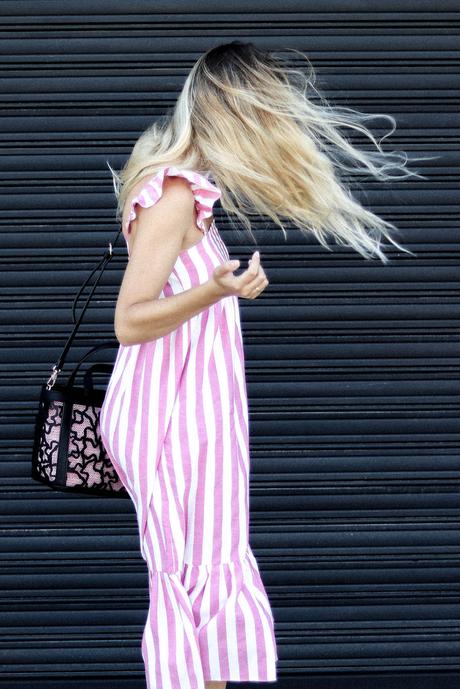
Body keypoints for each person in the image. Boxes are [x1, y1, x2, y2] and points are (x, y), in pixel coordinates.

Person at [99, 40, 428, 689]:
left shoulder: (190, 193)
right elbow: (129, 319)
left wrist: (218, 288)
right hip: (173, 427)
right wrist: (215, 289)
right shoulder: (170, 194)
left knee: (205, 589)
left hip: (195, 419)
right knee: (192, 586)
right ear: (228, 109)